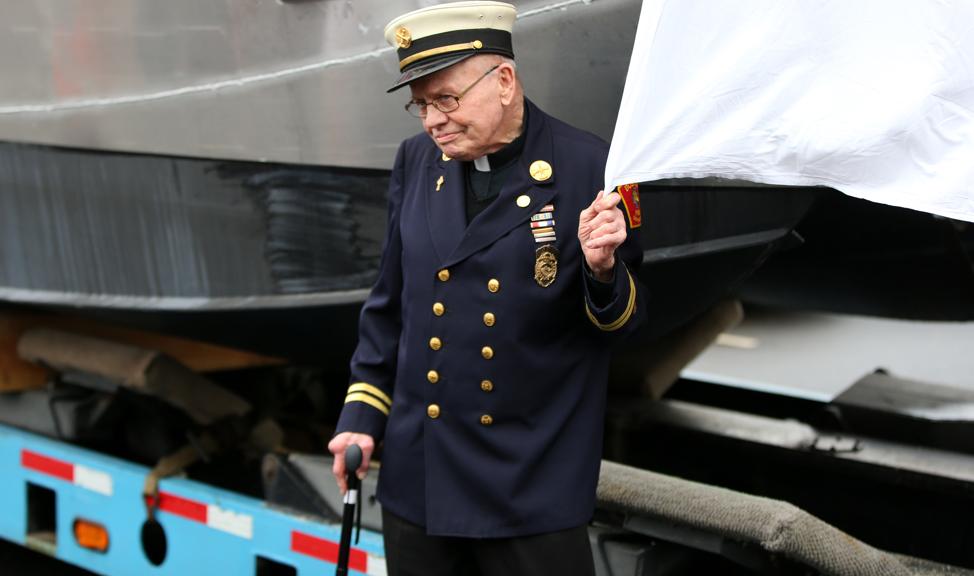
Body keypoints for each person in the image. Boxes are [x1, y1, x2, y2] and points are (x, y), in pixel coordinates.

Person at [328, 2, 645, 574]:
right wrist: (361, 418)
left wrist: (603, 271)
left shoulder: (591, 168)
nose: (432, 120)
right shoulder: (416, 161)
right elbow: (391, 304)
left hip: (528, 487)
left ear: (503, 81)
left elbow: (621, 327)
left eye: (446, 99)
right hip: (420, 481)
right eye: (421, 104)